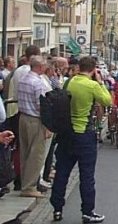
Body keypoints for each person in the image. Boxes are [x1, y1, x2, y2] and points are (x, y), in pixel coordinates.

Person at [50, 56, 112, 223]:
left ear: (79, 68)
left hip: (66, 133)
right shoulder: (92, 85)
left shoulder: (69, 82)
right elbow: (107, 100)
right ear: (93, 70)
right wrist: (99, 82)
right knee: (87, 175)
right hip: (84, 133)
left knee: (62, 172)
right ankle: (87, 212)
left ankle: (57, 208)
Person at [17, 55, 48, 198]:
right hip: (35, 120)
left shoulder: (23, 80)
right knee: (36, 154)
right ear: (40, 67)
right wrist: (47, 125)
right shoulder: (37, 83)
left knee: (25, 152)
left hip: (23, 117)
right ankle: (29, 187)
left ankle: (25, 182)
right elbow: (41, 105)